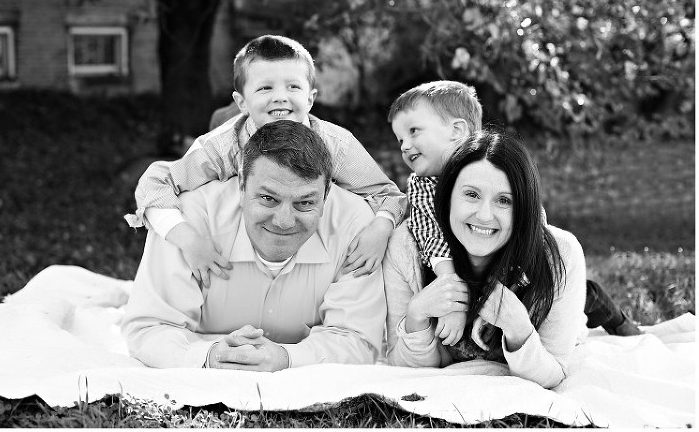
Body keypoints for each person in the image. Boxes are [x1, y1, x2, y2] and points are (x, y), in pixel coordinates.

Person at [125, 35, 406, 287]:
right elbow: (156, 182)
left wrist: (379, 229)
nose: (280, 97)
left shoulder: (336, 144)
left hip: (315, 259)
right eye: (265, 88)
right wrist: (189, 240)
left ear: (310, 99)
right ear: (242, 102)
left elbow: (386, 194)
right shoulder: (222, 146)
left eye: (293, 87)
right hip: (237, 258)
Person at [386, 81, 640, 348]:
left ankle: (619, 322)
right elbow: (430, 234)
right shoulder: (423, 187)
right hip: (470, 272)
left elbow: (533, 224)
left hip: (517, 273)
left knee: (583, 297)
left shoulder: (497, 166)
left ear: (457, 130)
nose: (404, 146)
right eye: (400, 139)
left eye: (413, 132)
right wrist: (449, 291)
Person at [122, 120, 386, 369]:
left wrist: (287, 358)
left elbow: (358, 339)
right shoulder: (189, 219)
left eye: (305, 203)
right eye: (268, 198)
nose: (284, 221)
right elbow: (149, 327)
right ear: (241, 186)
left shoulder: (356, 225)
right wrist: (209, 356)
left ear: (327, 194)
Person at [383, 128, 586, 388]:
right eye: (471, 195)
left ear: (523, 208)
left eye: (504, 200)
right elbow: (400, 366)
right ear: (446, 198)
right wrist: (416, 316)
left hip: (558, 294)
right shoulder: (406, 245)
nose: (485, 216)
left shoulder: (561, 255)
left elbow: (554, 371)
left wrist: (519, 330)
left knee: (586, 306)